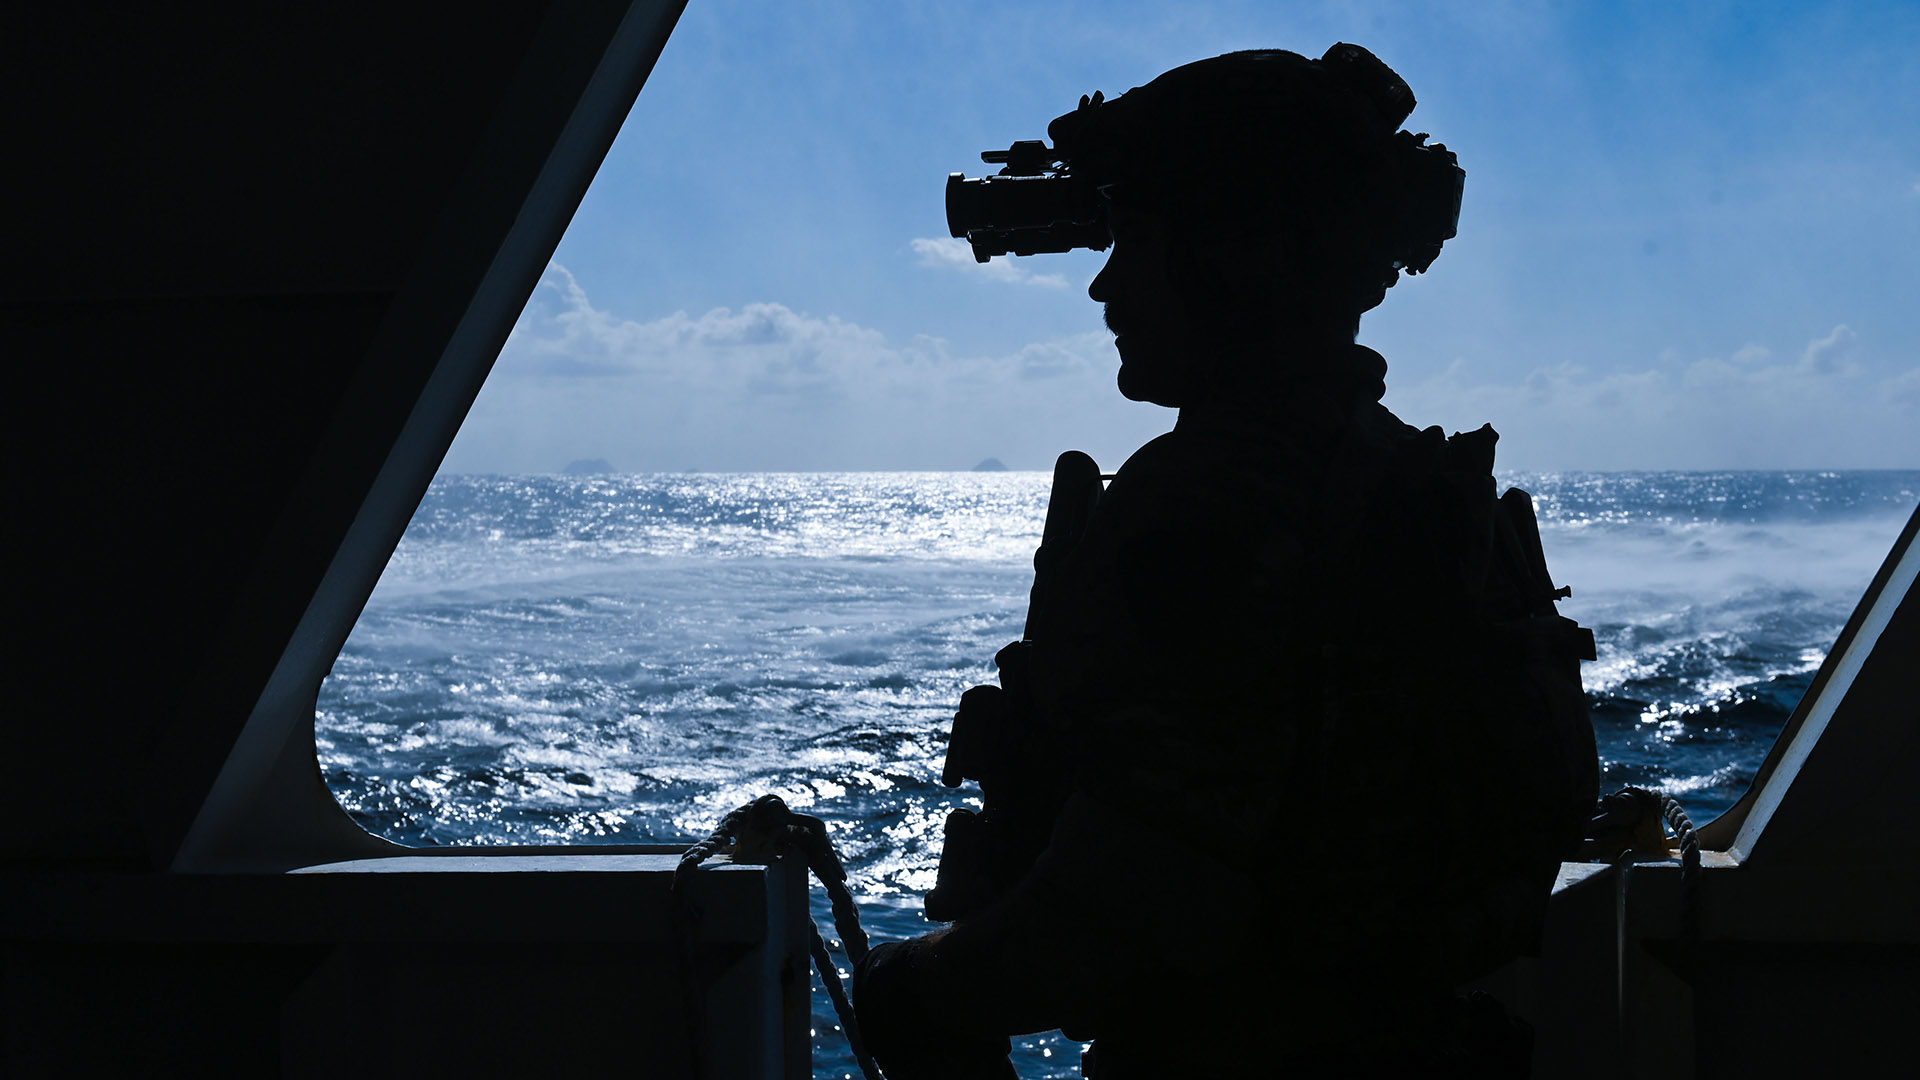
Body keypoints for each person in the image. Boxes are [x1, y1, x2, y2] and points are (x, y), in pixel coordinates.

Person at [854, 45, 1595, 1079]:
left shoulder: (1212, 507)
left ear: (1235, 256)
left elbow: (1133, 903)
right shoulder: (1400, 477)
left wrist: (916, 991)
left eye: (1141, 243)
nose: (1107, 285)